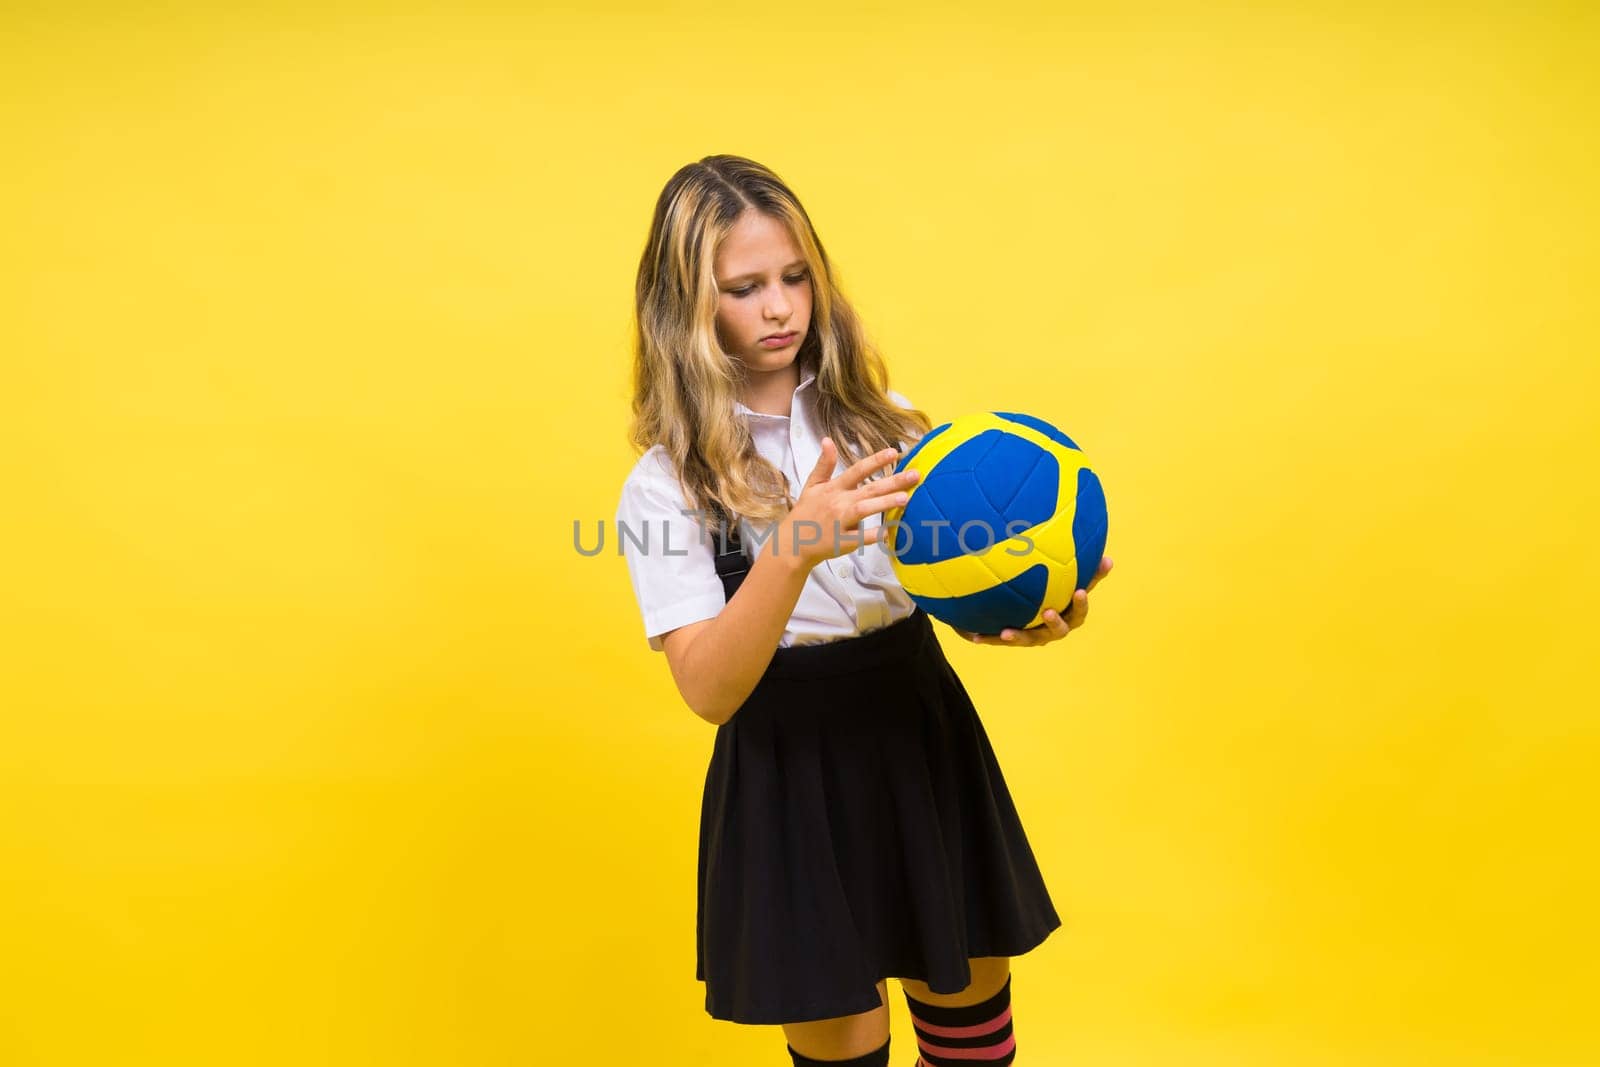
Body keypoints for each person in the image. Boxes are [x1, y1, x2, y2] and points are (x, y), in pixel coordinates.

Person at [615, 154, 1114, 1066]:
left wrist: (1019, 607)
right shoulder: (664, 489)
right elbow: (710, 689)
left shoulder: (887, 420)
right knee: (845, 1047)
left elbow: (942, 586)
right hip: (788, 766)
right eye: (745, 286)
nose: (780, 307)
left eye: (796, 276)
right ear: (685, 309)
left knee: (973, 1039)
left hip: (916, 730)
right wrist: (796, 542)